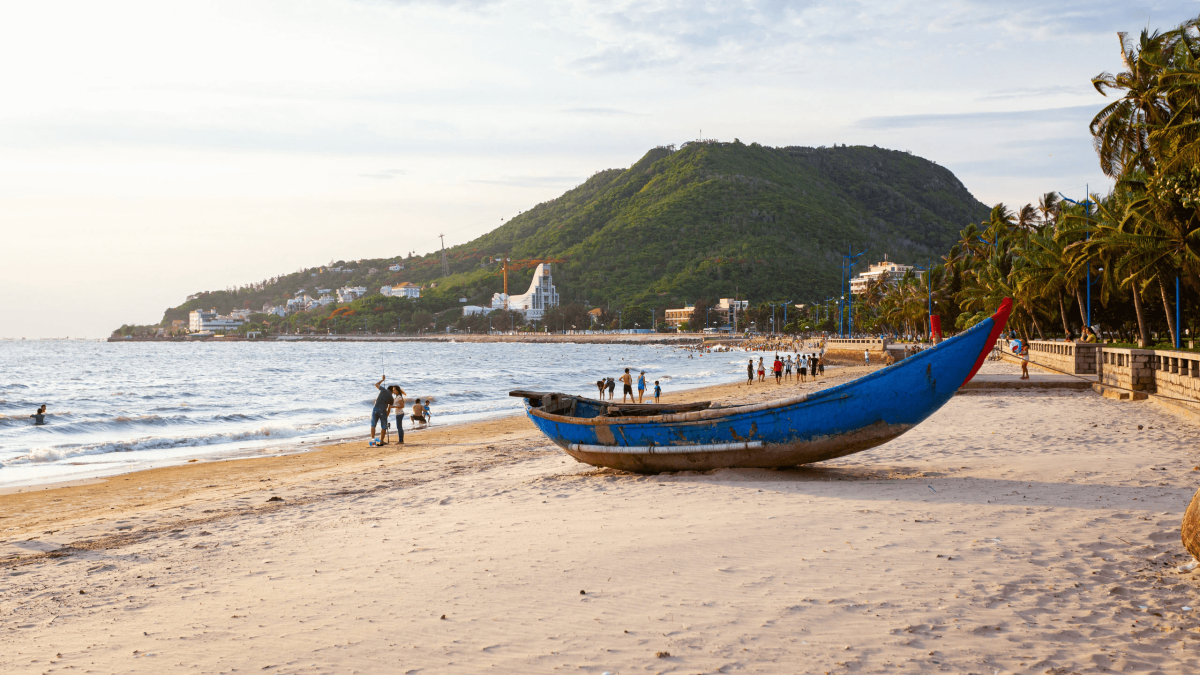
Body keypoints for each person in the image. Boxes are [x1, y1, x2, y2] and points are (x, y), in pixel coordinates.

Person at [370, 376, 394, 445]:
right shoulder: (391, 398)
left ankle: (373, 441)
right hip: (383, 411)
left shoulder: (383, 390)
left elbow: (376, 384)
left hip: (375, 409)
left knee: (373, 425)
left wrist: (382, 380)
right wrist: (387, 414)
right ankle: (381, 441)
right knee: (383, 427)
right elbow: (389, 407)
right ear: (392, 391)